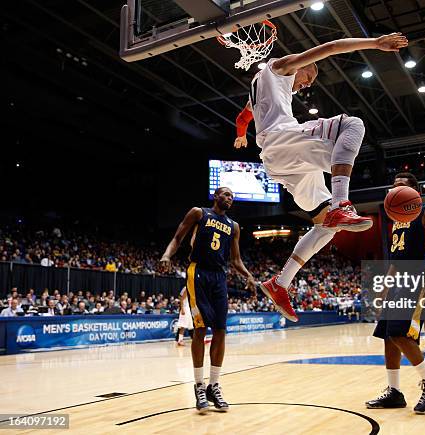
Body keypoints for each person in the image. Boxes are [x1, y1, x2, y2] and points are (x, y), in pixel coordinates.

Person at [233, 33, 408, 322]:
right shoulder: (280, 67)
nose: (307, 84)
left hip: (281, 159)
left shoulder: (259, 87)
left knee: (327, 224)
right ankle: (342, 203)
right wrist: (376, 43)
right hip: (283, 140)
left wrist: (241, 136)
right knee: (352, 125)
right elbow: (332, 47)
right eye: (309, 75)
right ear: (301, 65)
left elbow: (243, 118)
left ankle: (280, 283)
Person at [161, 187, 256, 414]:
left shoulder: (234, 226)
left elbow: (235, 259)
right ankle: (199, 386)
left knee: (221, 331)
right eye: (226, 194)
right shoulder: (199, 213)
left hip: (219, 276)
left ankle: (214, 385)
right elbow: (177, 237)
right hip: (198, 272)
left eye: (232, 196)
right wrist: (167, 255)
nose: (229, 198)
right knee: (201, 329)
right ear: (216, 196)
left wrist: (249, 275)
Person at [366, 172, 425, 414]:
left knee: (400, 333)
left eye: (401, 186)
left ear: (414, 191)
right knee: (388, 336)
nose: (395, 190)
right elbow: (395, 259)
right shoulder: (397, 219)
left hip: (418, 278)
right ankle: (394, 392)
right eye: (393, 187)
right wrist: (385, 286)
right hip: (399, 280)